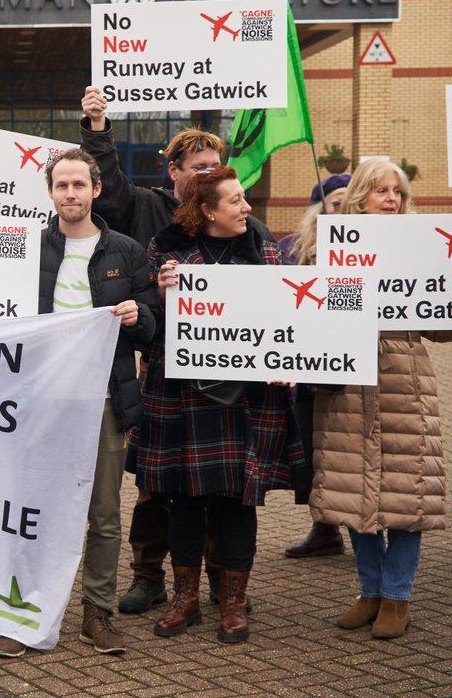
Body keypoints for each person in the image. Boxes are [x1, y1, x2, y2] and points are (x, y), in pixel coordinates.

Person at [80, 85, 273, 614]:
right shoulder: (150, 214)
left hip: (234, 386)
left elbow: (280, 308)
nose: (210, 171)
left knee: (225, 492)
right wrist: (97, 128)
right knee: (159, 489)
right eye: (198, 165)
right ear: (176, 172)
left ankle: (223, 588)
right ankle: (151, 578)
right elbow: (110, 189)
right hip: (172, 377)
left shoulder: (252, 231)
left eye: (217, 164)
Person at [0, 149, 157, 659]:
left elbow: (154, 328)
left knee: (104, 516)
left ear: (96, 190)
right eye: (61, 185)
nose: (70, 194)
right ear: (49, 192)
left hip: (105, 403)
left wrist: (137, 317)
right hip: (40, 403)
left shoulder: (127, 251)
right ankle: (24, 613)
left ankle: (95, 614)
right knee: (29, 512)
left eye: (79, 185)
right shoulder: (22, 247)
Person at [134, 166, 306, 644]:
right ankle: (184, 598)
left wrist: (288, 357)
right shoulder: (165, 250)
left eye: (245, 198)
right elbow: (147, 321)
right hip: (181, 391)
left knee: (236, 499)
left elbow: (287, 313)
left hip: (247, 395)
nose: (247, 208)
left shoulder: (264, 245)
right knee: (184, 497)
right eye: (235, 201)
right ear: (207, 210)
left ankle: (233, 603)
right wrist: (163, 294)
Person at [309, 160, 449, 640]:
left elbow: (441, 328)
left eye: (398, 192)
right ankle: (369, 590)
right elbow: (312, 312)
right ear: (360, 197)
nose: (391, 199)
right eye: (381, 191)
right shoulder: (330, 247)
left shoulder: (424, 248)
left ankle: (398, 597)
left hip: (403, 382)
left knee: (407, 494)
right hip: (345, 384)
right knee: (354, 488)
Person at [274, 173, 353, 560]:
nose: (343, 208)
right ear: (320, 208)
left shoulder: (369, 249)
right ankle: (324, 528)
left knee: (349, 453)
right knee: (311, 449)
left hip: (350, 368)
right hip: (305, 371)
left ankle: (363, 529)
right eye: (336, 201)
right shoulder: (292, 248)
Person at [278, 173, 350, 267]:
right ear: (319, 210)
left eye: (350, 206)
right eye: (337, 204)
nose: (344, 211)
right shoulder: (289, 246)